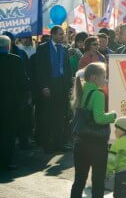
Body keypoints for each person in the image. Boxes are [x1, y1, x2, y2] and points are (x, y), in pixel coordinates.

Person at [68, 62, 117, 198]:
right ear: (94, 77)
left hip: (80, 143)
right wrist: (113, 115)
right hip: (96, 144)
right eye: (104, 76)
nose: (105, 79)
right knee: (97, 182)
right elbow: (99, 118)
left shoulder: (80, 91)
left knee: (79, 181)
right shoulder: (97, 94)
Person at [34, 26, 73, 153]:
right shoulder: (43, 48)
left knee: (60, 116)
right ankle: (47, 144)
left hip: (61, 87)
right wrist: (44, 86)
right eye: (60, 34)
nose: (63, 36)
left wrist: (69, 87)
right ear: (53, 35)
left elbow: (68, 69)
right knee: (47, 117)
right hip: (49, 86)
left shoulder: (65, 49)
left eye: (63, 34)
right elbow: (39, 69)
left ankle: (59, 143)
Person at [0, 35, 28, 171]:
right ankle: (6, 162)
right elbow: (23, 82)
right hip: (11, 104)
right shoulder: (15, 60)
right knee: (9, 134)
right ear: (8, 46)